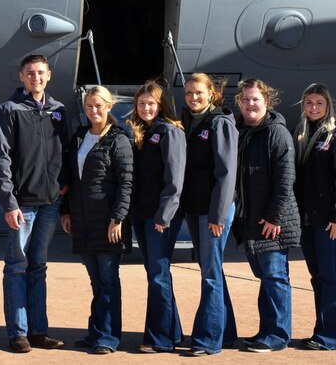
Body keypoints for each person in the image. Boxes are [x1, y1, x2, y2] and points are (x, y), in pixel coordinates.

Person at [0, 54, 70, 353]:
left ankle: (39, 330)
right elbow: (1, 159)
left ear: (48, 75)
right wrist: (9, 203)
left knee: (39, 266)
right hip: (22, 205)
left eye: (40, 72)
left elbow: (65, 153)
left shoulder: (59, 110)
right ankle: (18, 333)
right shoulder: (8, 110)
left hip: (50, 202)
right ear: (21, 77)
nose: (35, 77)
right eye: (29, 73)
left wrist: (64, 198)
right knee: (17, 267)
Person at [61, 85, 133, 355]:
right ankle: (97, 333)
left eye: (98, 106)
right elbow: (70, 180)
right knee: (96, 282)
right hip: (82, 221)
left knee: (108, 280)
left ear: (109, 106)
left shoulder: (118, 138)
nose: (93, 111)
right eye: (89, 106)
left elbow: (127, 182)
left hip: (107, 223)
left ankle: (108, 337)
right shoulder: (80, 137)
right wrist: (65, 212)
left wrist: (118, 218)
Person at [233, 78, 300, 353]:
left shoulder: (275, 132)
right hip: (252, 220)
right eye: (246, 99)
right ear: (239, 102)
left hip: (271, 221)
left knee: (275, 277)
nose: (250, 104)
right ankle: (266, 330)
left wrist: (274, 217)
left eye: (255, 99)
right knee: (266, 277)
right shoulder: (241, 131)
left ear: (266, 102)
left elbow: (285, 180)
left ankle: (278, 335)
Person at [179, 73, 238, 357]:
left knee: (211, 275)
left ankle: (208, 340)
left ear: (211, 93)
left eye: (198, 92)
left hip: (213, 211)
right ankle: (227, 333)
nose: (193, 97)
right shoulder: (191, 121)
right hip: (195, 208)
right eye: (189, 92)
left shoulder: (220, 123)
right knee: (212, 271)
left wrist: (218, 214)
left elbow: (226, 174)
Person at [293, 83, 336, 351]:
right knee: (316, 276)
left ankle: (332, 336)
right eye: (309, 103)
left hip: (327, 220)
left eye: (319, 103)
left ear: (328, 106)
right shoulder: (302, 135)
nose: (313, 108)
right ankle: (324, 330)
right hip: (307, 219)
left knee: (328, 276)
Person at [128, 80, 186, 354]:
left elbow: (174, 180)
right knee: (155, 273)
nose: (146, 108)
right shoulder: (142, 132)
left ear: (161, 105)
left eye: (151, 103)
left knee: (159, 275)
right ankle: (172, 332)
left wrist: (164, 216)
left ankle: (160, 339)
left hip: (159, 217)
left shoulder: (168, 132)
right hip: (142, 214)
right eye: (141, 103)